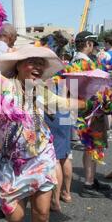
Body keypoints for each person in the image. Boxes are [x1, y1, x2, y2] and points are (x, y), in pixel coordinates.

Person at [0, 45, 85, 222]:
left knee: (42, 213)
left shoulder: (41, 90)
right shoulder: (1, 84)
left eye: (40, 64)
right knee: (14, 218)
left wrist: (89, 102)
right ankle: (9, 201)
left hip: (41, 155)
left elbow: (61, 104)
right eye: (31, 61)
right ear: (18, 65)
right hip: (12, 164)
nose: (37, 67)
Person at [72, 31, 111, 198]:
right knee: (92, 146)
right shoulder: (82, 62)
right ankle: (88, 183)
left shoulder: (79, 61)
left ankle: (91, 179)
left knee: (92, 146)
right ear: (87, 44)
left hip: (87, 111)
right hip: (90, 112)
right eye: (93, 44)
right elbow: (86, 90)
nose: (95, 47)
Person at [41, 32, 73, 211]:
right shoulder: (66, 67)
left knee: (54, 159)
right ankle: (66, 193)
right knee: (65, 156)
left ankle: (55, 201)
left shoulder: (47, 70)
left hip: (52, 114)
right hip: (67, 112)